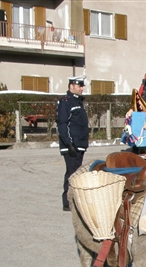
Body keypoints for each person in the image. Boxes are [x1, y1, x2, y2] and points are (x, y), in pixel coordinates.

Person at [57, 75, 89, 212]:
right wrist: (68, 143)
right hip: (72, 145)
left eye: (82, 86)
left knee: (73, 173)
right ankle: (71, 201)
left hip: (79, 144)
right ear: (71, 86)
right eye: (79, 85)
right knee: (73, 174)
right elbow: (62, 124)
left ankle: (69, 201)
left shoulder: (78, 102)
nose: (82, 88)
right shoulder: (66, 102)